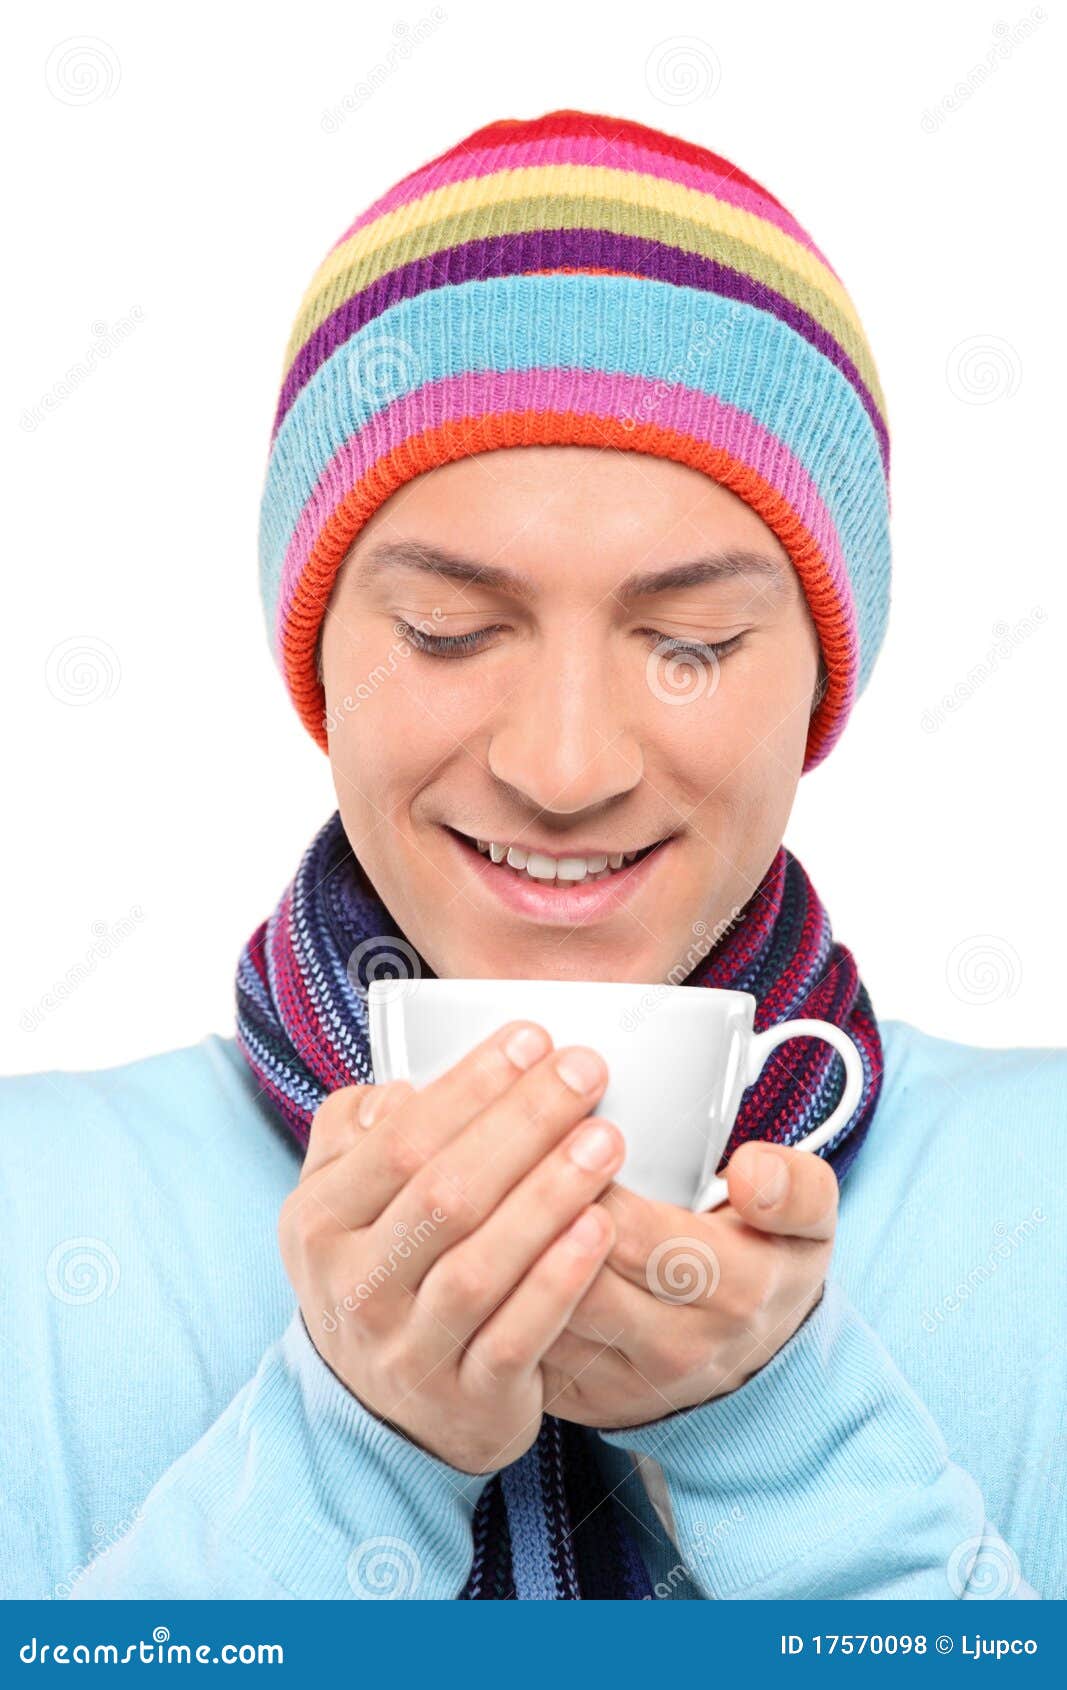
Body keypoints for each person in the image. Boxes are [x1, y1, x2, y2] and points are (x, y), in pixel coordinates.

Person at [3, 107, 1063, 1603]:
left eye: (693, 641)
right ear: (316, 660)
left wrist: (778, 1433)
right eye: (448, 630)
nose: (566, 767)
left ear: (826, 681)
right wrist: (352, 1450)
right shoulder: (33, 1213)